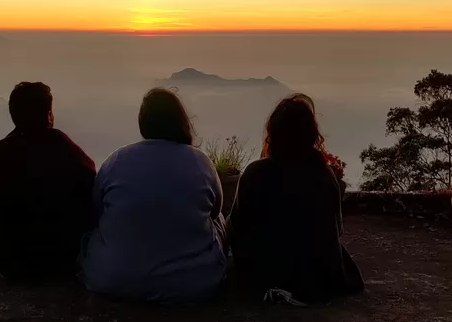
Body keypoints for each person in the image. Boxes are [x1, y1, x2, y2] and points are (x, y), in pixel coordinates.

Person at [80, 88, 227, 303]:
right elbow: (215, 211)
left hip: (112, 281)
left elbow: (98, 209)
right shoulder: (201, 162)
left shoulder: (116, 160)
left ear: (143, 123)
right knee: (220, 220)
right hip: (194, 284)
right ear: (181, 121)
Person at [229, 94, 364, 305]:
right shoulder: (324, 175)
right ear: (311, 135)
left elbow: (238, 227)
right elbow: (336, 230)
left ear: (274, 134)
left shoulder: (255, 174)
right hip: (318, 276)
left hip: (267, 271)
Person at [0, 81, 96, 281]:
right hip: (64, 259)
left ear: (13, 115)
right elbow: (90, 189)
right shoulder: (69, 152)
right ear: (48, 115)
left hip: (10, 263)